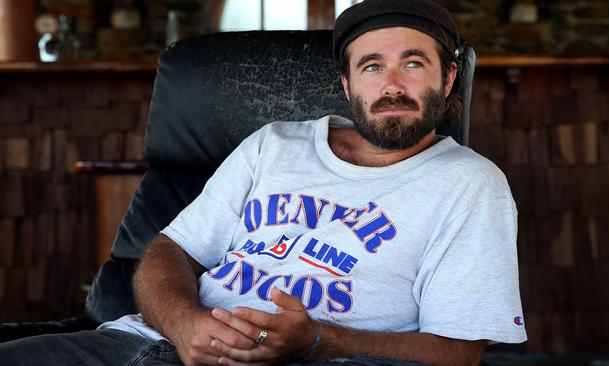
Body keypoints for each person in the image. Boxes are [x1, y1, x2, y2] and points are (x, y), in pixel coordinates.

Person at [0, 0, 527, 365]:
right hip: (147, 343)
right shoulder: (275, 142)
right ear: (346, 85)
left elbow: (459, 352)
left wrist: (316, 340)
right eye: (371, 67)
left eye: (413, 64)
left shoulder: (470, 184)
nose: (391, 85)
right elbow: (169, 250)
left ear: (448, 77)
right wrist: (185, 324)